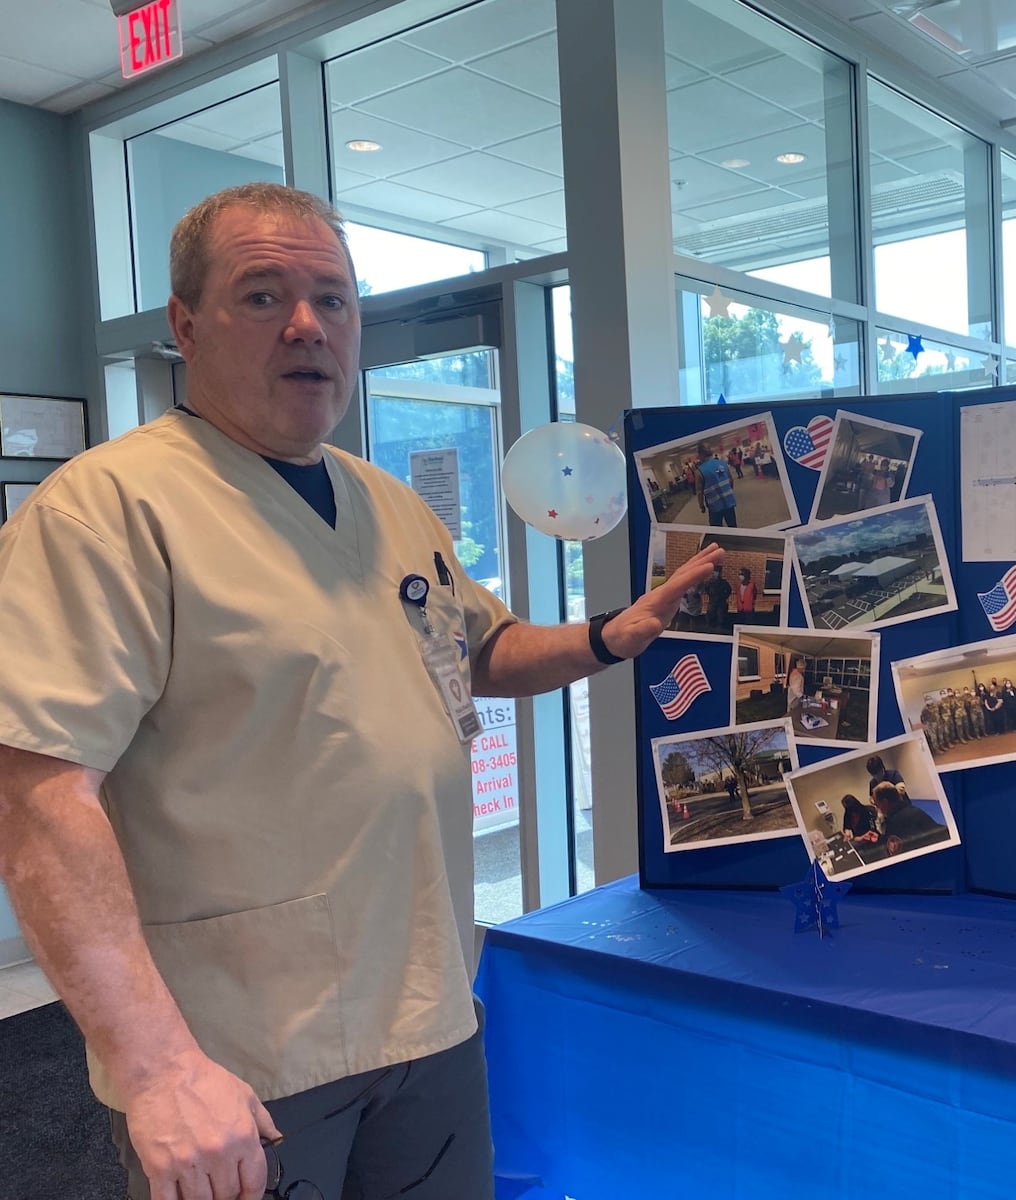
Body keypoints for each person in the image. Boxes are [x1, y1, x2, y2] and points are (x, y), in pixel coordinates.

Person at [0, 183, 723, 1200]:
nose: (307, 326)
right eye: (263, 296)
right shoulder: (107, 512)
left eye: (333, 300)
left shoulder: (382, 500)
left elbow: (482, 649)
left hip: (425, 1007)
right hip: (244, 1053)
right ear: (184, 324)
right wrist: (157, 1069)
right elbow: (38, 795)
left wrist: (613, 635)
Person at [871, 781, 944, 857]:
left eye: (876, 804)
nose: (877, 808)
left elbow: (895, 854)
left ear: (884, 802)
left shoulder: (893, 824)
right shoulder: (914, 809)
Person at [694, 440, 738, 527]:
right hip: (729, 501)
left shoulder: (699, 471)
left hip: (714, 506)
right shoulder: (722, 463)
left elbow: (699, 492)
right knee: (733, 526)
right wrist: (729, 492)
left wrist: (701, 506)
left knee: (716, 528)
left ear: (701, 454)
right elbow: (731, 480)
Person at [704, 564, 732, 632]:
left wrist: (724, 597)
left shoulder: (723, 582)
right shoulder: (710, 582)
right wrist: (710, 595)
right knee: (710, 615)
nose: (717, 573)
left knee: (720, 617)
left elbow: (729, 590)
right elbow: (706, 589)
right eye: (716, 571)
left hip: (721, 602)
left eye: (718, 572)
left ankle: (720, 629)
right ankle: (709, 628)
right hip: (712, 601)